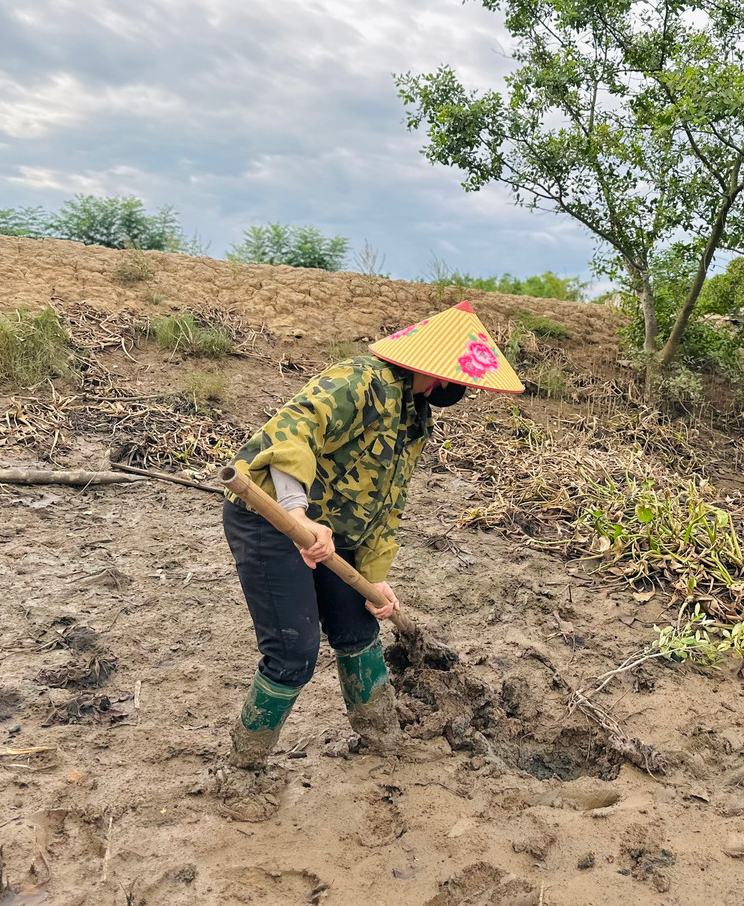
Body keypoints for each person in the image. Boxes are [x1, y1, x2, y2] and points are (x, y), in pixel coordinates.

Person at [219, 301, 522, 796]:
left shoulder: (414, 416)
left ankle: (381, 738)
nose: (463, 389)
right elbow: (295, 426)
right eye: (461, 380)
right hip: (273, 518)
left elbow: (388, 499)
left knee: (358, 628)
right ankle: (241, 772)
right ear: (440, 373)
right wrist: (297, 513)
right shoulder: (360, 379)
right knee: (294, 652)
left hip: (332, 534)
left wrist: (376, 576)